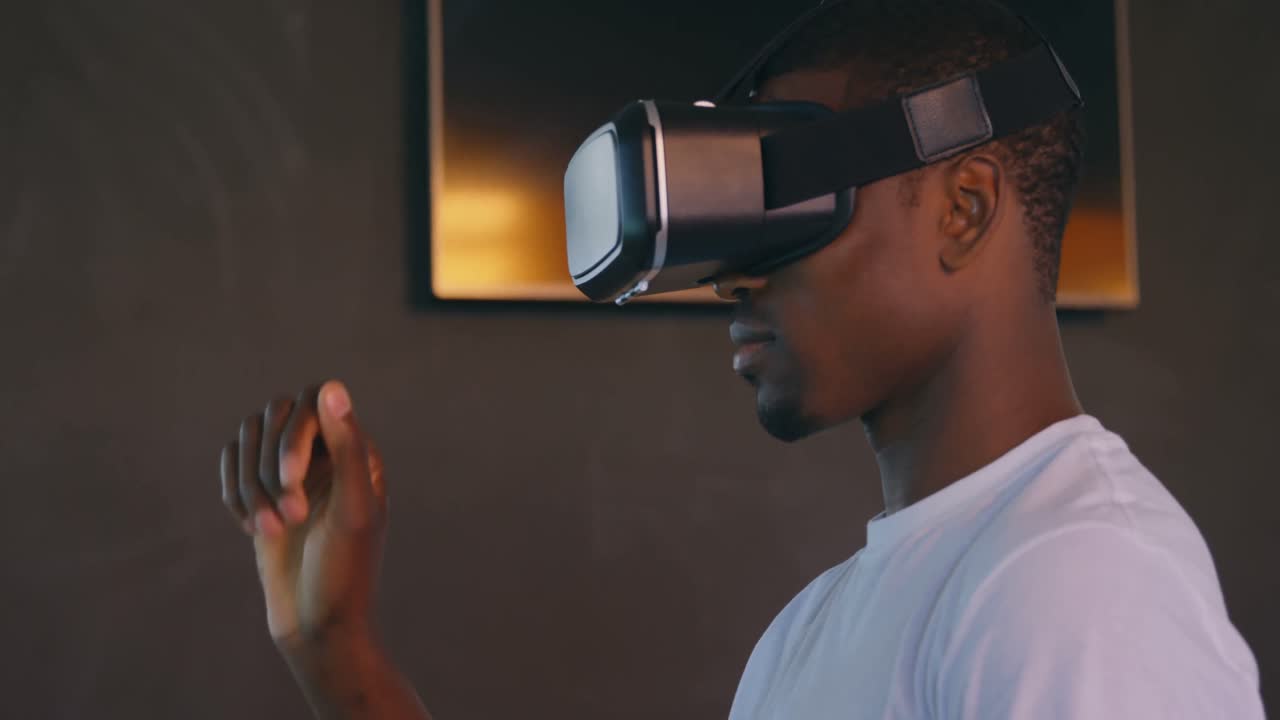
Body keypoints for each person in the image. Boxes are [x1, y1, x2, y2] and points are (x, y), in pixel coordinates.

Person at [217, 1, 1265, 718]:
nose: (735, 276)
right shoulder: (806, 638)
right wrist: (337, 648)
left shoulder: (1076, 581)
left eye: (786, 203)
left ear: (963, 208)